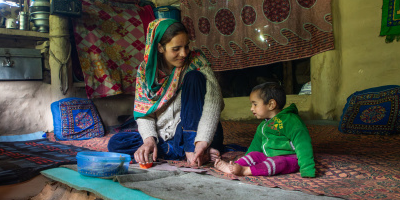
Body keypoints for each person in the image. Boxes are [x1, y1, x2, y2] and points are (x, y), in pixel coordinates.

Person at [108, 18, 225, 167]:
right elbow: (144, 113)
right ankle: (189, 152)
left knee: (194, 77)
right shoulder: (146, 72)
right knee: (116, 143)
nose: (183, 53)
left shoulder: (196, 62)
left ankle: (192, 150)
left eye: (186, 46)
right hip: (166, 136)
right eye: (176, 49)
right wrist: (149, 140)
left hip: (196, 129)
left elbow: (213, 104)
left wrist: (201, 141)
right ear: (160, 47)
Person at [214, 82, 315, 177]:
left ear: (271, 104)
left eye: (255, 104)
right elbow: (255, 145)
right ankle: (233, 166)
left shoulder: (291, 121)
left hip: (289, 159)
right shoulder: (263, 125)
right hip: (268, 157)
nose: (251, 108)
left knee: (278, 162)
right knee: (254, 155)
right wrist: (246, 158)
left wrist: (307, 169)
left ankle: (245, 170)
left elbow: (303, 144)